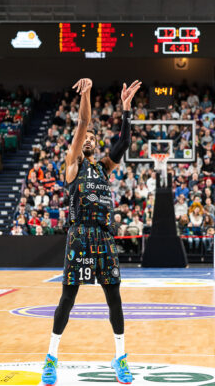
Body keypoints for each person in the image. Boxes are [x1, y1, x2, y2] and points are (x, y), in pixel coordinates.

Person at [42, 78, 141, 386]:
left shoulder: (104, 167)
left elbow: (123, 144)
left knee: (114, 297)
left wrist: (125, 109)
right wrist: (85, 93)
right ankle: (50, 359)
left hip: (103, 236)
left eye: (93, 138)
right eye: (85, 137)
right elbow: (84, 120)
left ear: (97, 145)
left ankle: (120, 357)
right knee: (67, 299)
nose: (88, 139)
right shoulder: (73, 166)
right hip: (79, 236)